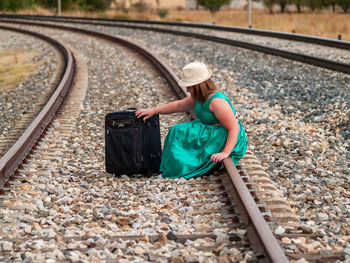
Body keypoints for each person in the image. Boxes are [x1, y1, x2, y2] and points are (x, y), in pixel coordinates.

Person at [136, 62, 248, 179]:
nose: (187, 89)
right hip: (209, 129)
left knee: (188, 139)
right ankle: (171, 168)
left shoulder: (217, 102)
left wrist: (225, 152)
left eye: (189, 86)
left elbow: (234, 128)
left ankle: (183, 169)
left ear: (199, 86)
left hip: (223, 135)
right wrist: (154, 111)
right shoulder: (199, 97)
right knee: (177, 131)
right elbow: (179, 105)